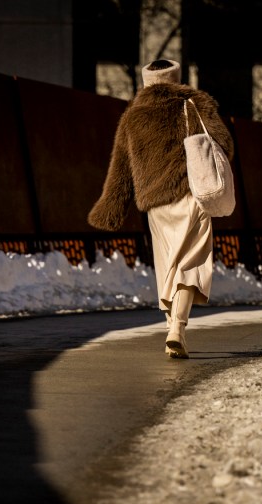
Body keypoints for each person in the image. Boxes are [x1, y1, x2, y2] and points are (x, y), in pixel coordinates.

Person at [87, 59, 234, 358]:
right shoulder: (193, 104)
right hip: (189, 193)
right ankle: (177, 329)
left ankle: (171, 328)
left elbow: (121, 168)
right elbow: (224, 143)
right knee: (190, 262)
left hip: (154, 203)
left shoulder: (132, 116)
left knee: (168, 266)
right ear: (175, 77)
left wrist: (111, 207)